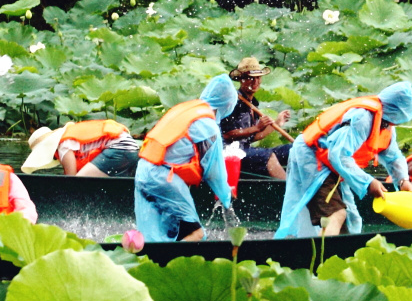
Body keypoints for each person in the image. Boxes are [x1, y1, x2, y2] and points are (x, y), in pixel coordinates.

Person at [275, 82, 412, 238]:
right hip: (313, 156)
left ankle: (341, 256)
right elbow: (338, 155)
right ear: (394, 111)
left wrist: (403, 180)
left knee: (350, 220)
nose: (396, 123)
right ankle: (322, 260)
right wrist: (368, 183)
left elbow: (394, 156)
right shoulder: (362, 118)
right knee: (335, 215)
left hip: (333, 163)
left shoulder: (386, 124)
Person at [135, 73, 239, 242]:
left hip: (143, 171)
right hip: (163, 179)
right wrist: (226, 196)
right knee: (195, 234)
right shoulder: (208, 127)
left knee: (158, 236)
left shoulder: (184, 110)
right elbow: (214, 172)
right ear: (227, 104)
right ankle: (176, 265)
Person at [221, 58, 293, 180]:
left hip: (246, 150)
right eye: (250, 78)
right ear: (241, 79)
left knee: (292, 149)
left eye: (258, 78)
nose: (255, 81)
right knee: (267, 156)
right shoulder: (233, 102)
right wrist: (257, 127)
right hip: (230, 153)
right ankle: (287, 190)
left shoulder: (253, 104)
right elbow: (228, 135)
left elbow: (254, 136)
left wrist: (277, 123)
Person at [57, 119, 141, 177]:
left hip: (119, 148)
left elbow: (70, 179)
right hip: (134, 149)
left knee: (79, 183)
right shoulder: (72, 132)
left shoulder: (63, 145)